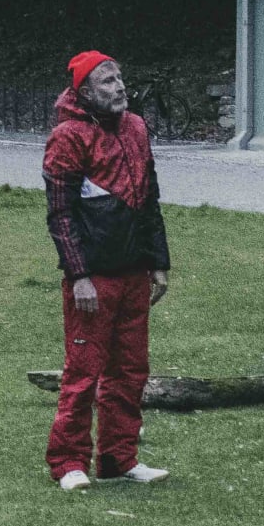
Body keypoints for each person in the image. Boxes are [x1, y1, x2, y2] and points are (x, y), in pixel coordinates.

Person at [42, 51, 171, 489]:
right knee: (83, 373)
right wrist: (78, 276)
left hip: (134, 272)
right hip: (93, 278)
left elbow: (150, 198)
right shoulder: (68, 137)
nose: (119, 88)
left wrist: (158, 262)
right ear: (84, 92)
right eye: (107, 81)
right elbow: (60, 214)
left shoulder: (136, 127)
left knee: (131, 371)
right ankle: (68, 463)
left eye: (119, 78)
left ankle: (119, 458)